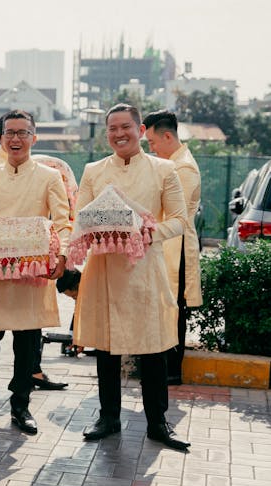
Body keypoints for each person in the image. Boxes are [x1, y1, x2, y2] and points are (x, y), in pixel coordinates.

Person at [75, 103, 190, 451]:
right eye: (112, 128)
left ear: (140, 131)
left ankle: (158, 422)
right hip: (105, 268)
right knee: (106, 347)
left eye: (125, 127)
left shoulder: (164, 170)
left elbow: (181, 220)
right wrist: (88, 236)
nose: (118, 134)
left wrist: (146, 232)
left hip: (145, 269)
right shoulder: (93, 170)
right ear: (106, 133)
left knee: (153, 348)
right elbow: (81, 216)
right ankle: (108, 416)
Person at [0, 110, 71, 435]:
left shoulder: (50, 177)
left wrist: (61, 253)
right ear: (1, 138)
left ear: (34, 137)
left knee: (26, 344)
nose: (16, 138)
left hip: (31, 274)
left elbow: (63, 221)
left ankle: (21, 405)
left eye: (23, 132)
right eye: (10, 133)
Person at [143, 109, 203, 385]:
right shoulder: (172, 164)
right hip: (165, 243)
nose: (151, 149)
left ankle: (172, 370)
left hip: (176, 246)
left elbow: (173, 213)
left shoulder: (184, 168)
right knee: (166, 306)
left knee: (175, 307)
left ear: (167, 136)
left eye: (152, 143)